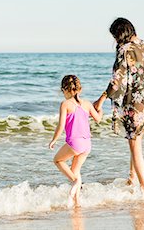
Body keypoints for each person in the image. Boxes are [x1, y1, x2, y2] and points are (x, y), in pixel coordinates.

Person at [93, 18, 144, 198]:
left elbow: (117, 81)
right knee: (136, 140)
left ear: (120, 34)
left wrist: (100, 101)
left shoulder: (125, 51)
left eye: (115, 36)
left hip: (134, 104)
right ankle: (132, 179)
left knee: (135, 144)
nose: (115, 41)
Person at [49, 75, 103, 206]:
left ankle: (75, 182)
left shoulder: (65, 104)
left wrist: (53, 140)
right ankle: (77, 202)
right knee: (76, 171)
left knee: (57, 160)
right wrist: (100, 109)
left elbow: (61, 126)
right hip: (87, 144)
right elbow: (98, 119)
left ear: (65, 89)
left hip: (75, 143)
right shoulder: (87, 104)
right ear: (79, 89)